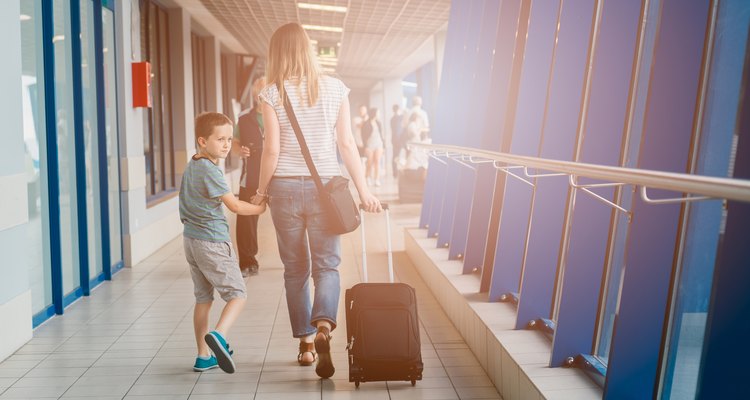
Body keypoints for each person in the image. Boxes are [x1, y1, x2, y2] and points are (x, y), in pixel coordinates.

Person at [251, 22, 381, 379]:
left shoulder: (271, 93)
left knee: (295, 270)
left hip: (285, 190)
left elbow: (271, 150)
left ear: (276, 53)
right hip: (327, 188)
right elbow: (347, 145)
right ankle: (324, 325)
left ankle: (307, 346)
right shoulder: (336, 88)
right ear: (308, 49)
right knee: (328, 266)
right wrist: (364, 190)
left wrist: (261, 194)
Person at [180, 112, 266, 374]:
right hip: (212, 242)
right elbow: (234, 205)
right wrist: (261, 208)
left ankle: (203, 356)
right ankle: (219, 335)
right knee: (237, 294)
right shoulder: (211, 170)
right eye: (220, 139)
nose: (227, 144)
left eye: (229, 138)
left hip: (191, 242)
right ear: (202, 141)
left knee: (203, 298)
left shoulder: (192, 165)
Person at [236, 77, 266, 277]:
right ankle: (247, 262)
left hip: (279, 175)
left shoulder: (282, 116)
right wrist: (240, 151)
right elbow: (234, 143)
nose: (261, 99)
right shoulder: (244, 118)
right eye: (259, 95)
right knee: (246, 219)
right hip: (252, 176)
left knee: (289, 221)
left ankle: (294, 261)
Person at [362, 107, 384, 186]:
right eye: (378, 113)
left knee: (377, 162)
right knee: (370, 162)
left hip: (378, 144)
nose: (379, 114)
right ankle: (367, 177)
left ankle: (377, 179)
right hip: (369, 145)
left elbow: (381, 135)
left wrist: (383, 145)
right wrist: (365, 146)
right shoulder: (366, 123)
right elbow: (363, 136)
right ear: (374, 113)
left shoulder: (378, 123)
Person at [390, 104, 405, 178]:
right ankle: (396, 172)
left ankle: (395, 172)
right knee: (397, 156)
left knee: (395, 156)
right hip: (398, 140)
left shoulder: (392, 118)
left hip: (395, 140)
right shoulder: (399, 118)